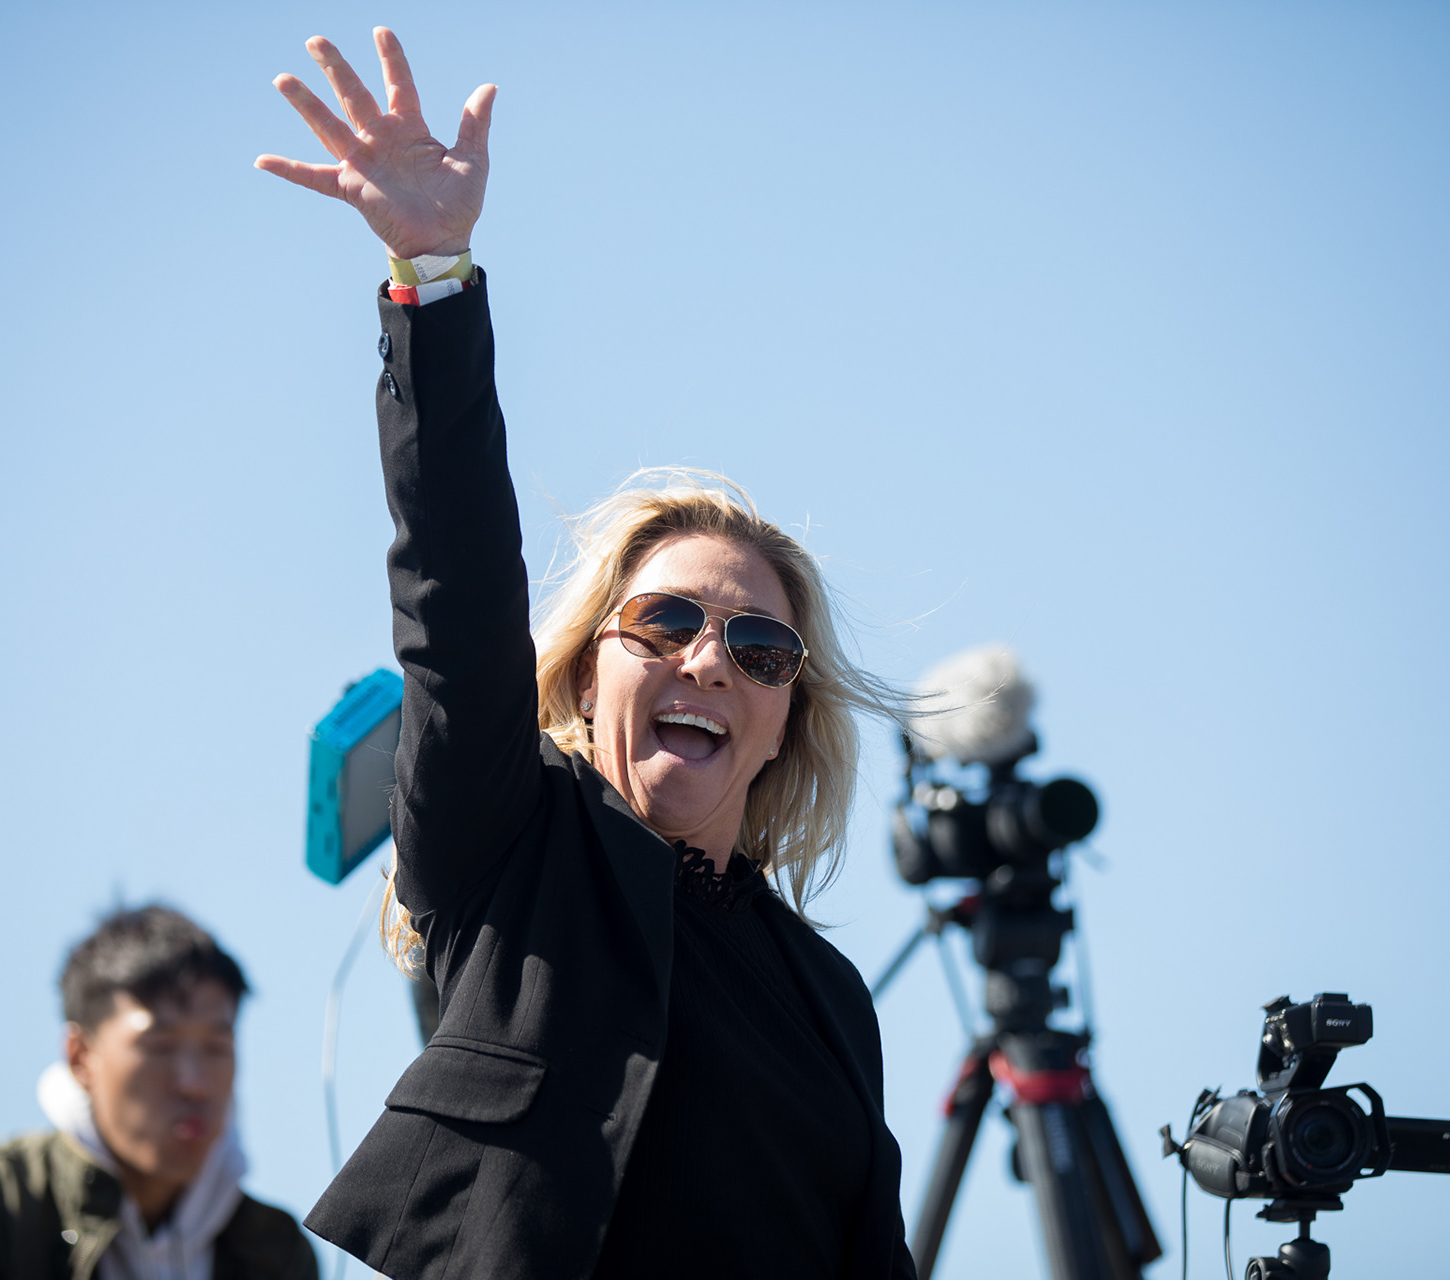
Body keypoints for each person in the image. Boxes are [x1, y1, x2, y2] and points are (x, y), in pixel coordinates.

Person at [256, 29, 918, 1280]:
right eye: (665, 622)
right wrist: (433, 273)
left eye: (759, 647)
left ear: (786, 719)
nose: (709, 660)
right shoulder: (513, 841)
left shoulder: (828, 998)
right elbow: (453, 596)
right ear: (583, 671)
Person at [0, 906, 318, 1280]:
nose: (193, 1082)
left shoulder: (275, 1251)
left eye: (216, 1048)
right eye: (159, 1046)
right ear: (80, 1056)